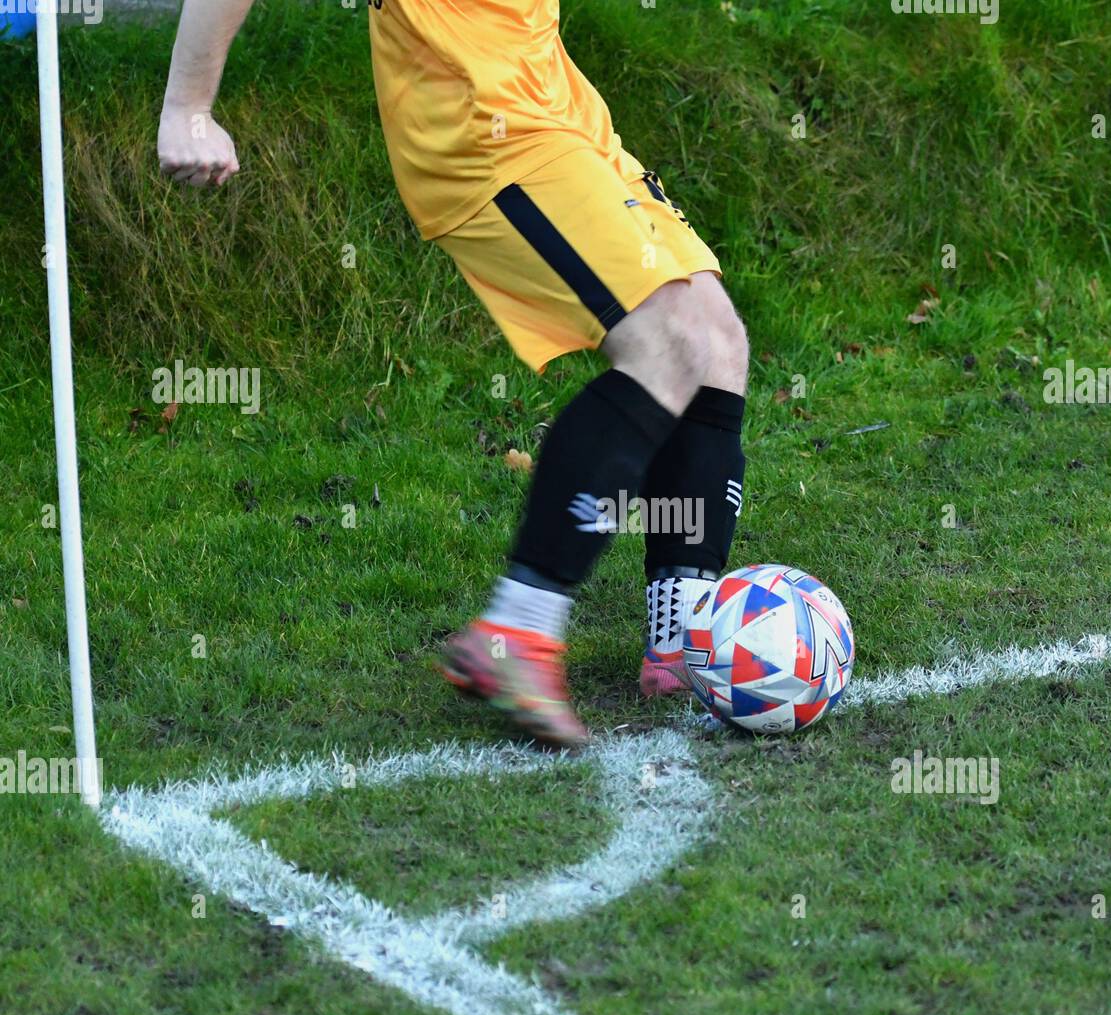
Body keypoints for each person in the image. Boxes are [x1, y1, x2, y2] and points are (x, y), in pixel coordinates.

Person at [157, 0, 749, 747]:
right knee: (668, 344)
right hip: (485, 129)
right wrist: (188, 105)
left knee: (718, 344)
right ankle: (519, 631)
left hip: (557, 104)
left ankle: (684, 636)